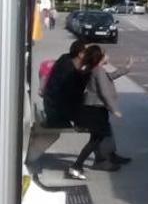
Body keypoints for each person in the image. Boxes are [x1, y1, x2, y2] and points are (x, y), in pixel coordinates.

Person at [66, 46, 133, 180]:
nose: (108, 57)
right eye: (106, 55)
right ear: (100, 57)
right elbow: (104, 92)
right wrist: (114, 109)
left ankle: (99, 159)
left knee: (98, 138)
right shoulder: (98, 71)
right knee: (95, 140)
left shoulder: (96, 70)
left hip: (93, 109)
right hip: (95, 110)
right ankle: (77, 166)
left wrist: (126, 68)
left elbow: (110, 77)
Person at [43, 40, 88, 127]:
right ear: (80, 54)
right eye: (88, 53)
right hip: (57, 112)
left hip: (53, 106)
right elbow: (73, 96)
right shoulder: (69, 72)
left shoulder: (65, 58)